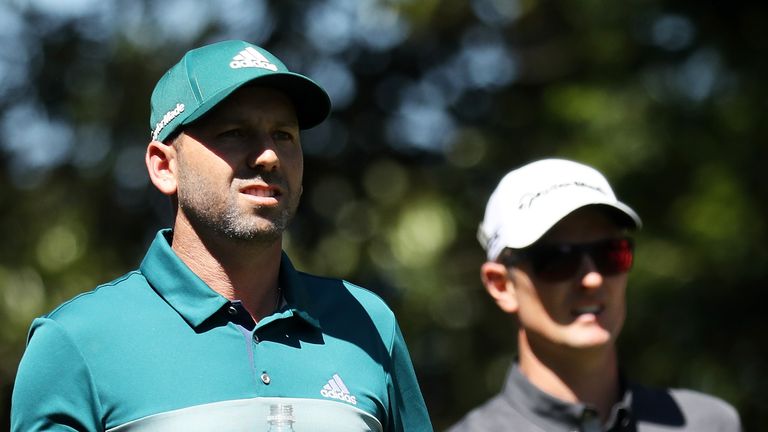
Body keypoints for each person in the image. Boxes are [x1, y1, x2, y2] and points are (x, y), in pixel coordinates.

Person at [11, 39, 433, 432]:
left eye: (283, 135)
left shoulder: (369, 322)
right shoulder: (76, 342)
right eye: (234, 133)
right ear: (164, 166)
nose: (268, 156)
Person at [448, 159, 741, 431]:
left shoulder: (708, 424)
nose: (592, 278)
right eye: (558, 260)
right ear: (501, 285)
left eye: (610, 254)